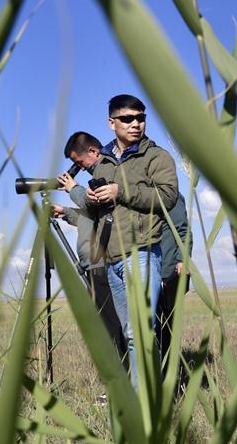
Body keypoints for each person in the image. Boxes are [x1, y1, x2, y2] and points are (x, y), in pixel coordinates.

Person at [83, 94, 179, 386]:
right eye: (127, 119)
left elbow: (167, 197)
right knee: (130, 333)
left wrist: (120, 191)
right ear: (111, 123)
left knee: (139, 332)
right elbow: (100, 211)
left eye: (140, 117)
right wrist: (90, 199)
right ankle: (148, 396)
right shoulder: (102, 162)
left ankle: (143, 406)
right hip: (111, 258)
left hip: (142, 252)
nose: (136, 124)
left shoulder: (156, 156)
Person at [52, 131, 129, 371]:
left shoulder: (106, 172)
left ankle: (124, 381)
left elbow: (92, 204)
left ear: (94, 153)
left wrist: (73, 188)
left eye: (79, 163)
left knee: (114, 327)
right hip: (94, 264)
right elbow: (90, 217)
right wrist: (64, 212)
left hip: (103, 263)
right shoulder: (94, 180)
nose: (79, 169)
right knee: (107, 326)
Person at [155, 192, 191, 369]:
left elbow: (183, 230)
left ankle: (169, 373)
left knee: (167, 327)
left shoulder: (170, 195)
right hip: (152, 270)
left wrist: (182, 259)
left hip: (168, 271)